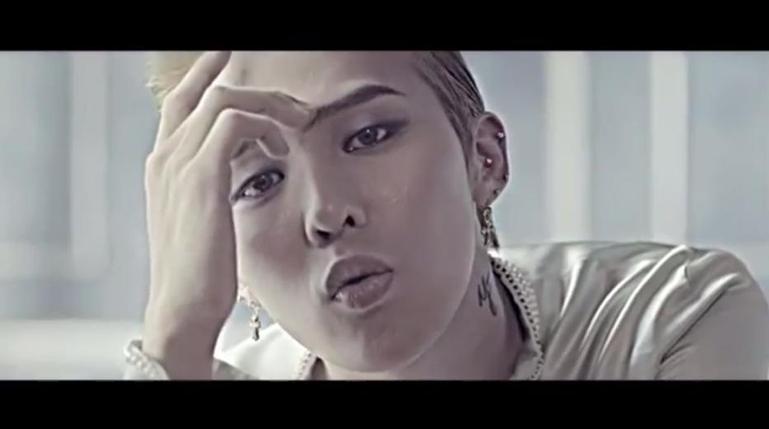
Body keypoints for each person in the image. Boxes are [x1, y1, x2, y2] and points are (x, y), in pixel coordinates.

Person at [124, 51, 769, 380]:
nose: (326, 212)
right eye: (260, 181)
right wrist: (175, 338)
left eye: (369, 136)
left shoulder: (668, 320)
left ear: (484, 158)